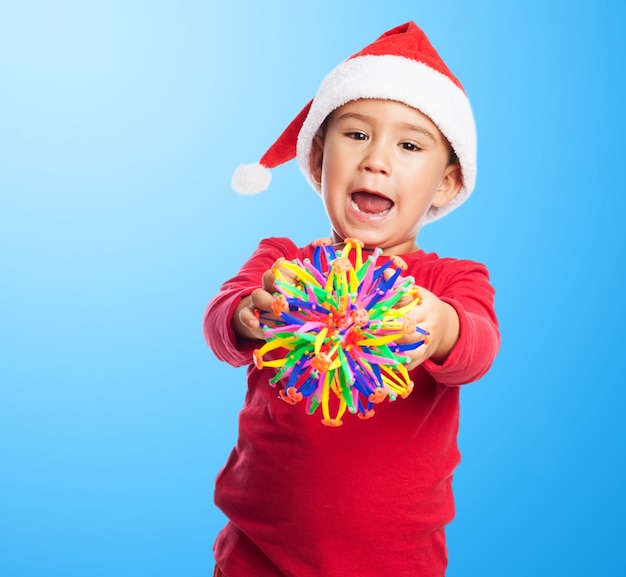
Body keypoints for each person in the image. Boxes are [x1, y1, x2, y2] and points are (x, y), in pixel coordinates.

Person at [204, 21, 500, 577]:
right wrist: (248, 313)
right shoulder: (282, 262)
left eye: (410, 145)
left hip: (395, 561)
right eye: (357, 135)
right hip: (257, 552)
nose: (376, 161)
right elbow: (223, 318)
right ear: (317, 160)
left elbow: (479, 348)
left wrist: (440, 327)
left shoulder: (452, 282)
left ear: (446, 184)